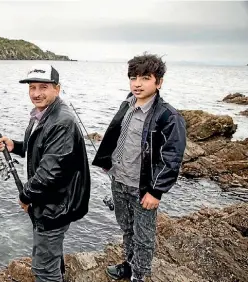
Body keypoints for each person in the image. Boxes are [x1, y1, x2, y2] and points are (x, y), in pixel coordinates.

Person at [92, 53, 187, 282]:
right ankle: (128, 264)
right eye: (133, 77)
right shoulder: (127, 103)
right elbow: (117, 134)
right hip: (119, 179)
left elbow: (172, 157)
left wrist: (156, 191)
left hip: (143, 187)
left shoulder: (168, 116)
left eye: (145, 78)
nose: (137, 83)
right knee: (126, 228)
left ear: (159, 82)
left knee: (143, 235)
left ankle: (140, 275)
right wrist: (107, 161)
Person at [0, 64, 91, 282]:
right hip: (50, 201)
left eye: (43, 87)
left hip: (54, 207)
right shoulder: (43, 113)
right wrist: (16, 146)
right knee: (51, 255)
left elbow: (50, 172)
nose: (36, 93)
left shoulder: (62, 121)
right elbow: (40, 150)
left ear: (57, 89)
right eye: (32, 87)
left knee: (43, 269)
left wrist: (25, 196)